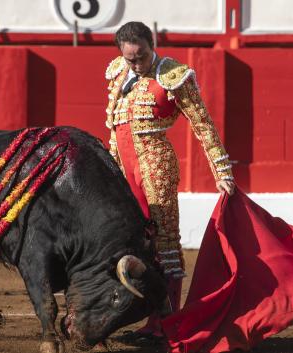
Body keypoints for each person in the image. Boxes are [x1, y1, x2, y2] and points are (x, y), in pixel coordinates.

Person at [104, 21, 235, 339]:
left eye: (141, 56)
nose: (136, 63)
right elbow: (113, 130)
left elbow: (202, 123)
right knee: (132, 242)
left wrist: (222, 172)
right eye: (130, 58)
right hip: (124, 170)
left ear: (153, 44)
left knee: (164, 242)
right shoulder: (120, 72)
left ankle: (167, 320)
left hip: (156, 167)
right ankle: (144, 316)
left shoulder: (173, 75)